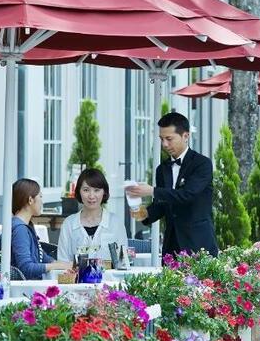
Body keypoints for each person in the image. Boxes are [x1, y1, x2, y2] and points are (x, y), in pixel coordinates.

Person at [128, 112, 218, 257]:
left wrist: (152, 190)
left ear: (186, 136)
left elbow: (187, 195)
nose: (164, 144)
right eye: (161, 139)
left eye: (169, 139)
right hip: (171, 247)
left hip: (199, 245)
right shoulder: (162, 169)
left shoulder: (202, 164)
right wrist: (142, 213)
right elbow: (162, 205)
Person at [0, 178, 71, 280]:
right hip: (24, 287)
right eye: (40, 197)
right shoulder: (20, 230)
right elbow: (26, 268)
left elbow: (42, 257)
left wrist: (65, 265)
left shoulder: (25, 225)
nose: (42, 202)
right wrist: (56, 266)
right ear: (30, 200)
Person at [57, 168, 128, 263]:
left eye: (96, 190)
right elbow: (62, 262)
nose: (91, 196)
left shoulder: (115, 223)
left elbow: (123, 261)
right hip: (75, 273)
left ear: (104, 192)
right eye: (86, 190)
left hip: (109, 273)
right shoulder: (69, 224)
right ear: (79, 191)